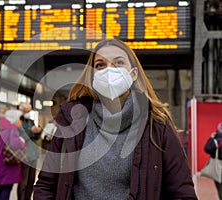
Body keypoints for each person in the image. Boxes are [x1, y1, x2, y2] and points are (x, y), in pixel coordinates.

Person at [33, 39, 197, 199]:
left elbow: (182, 192)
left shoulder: (156, 125)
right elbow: (46, 185)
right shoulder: (72, 120)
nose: (108, 70)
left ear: (133, 74)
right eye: (100, 65)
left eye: (118, 63)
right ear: (92, 77)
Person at [0, 109, 25, 200]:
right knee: (7, 188)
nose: (19, 120)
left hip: (1, 161)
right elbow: (15, 144)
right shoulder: (12, 130)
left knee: (1, 187)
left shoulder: (3, 129)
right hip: (8, 165)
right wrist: (22, 142)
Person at [17, 102, 42, 200]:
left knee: (31, 181)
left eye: (29, 111)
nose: (28, 113)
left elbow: (35, 137)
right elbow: (21, 136)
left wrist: (37, 132)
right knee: (23, 182)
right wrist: (31, 131)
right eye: (27, 111)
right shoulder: (18, 121)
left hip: (33, 154)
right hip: (24, 154)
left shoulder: (30, 121)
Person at [204, 122, 222, 199]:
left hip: (218, 168)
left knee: (220, 188)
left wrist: (211, 138)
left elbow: (207, 149)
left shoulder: (217, 140)